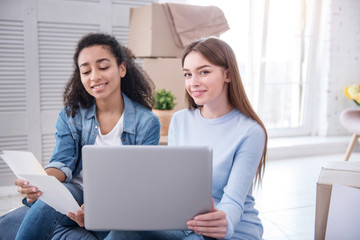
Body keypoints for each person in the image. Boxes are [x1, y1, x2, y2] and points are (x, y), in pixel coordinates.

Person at [0, 32, 160, 240]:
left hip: (114, 204)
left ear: (122, 68)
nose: (94, 76)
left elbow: (140, 183)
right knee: (49, 201)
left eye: (103, 67)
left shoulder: (147, 123)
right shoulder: (71, 115)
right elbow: (61, 161)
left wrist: (103, 206)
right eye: (86, 71)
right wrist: (40, 183)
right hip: (72, 196)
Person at [105, 37, 267, 240]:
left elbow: (233, 201)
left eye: (204, 72)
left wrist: (223, 221)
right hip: (185, 223)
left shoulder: (250, 131)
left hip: (229, 229)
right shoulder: (181, 120)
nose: (193, 82)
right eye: (188, 74)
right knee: (122, 231)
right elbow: (174, 185)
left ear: (227, 74)